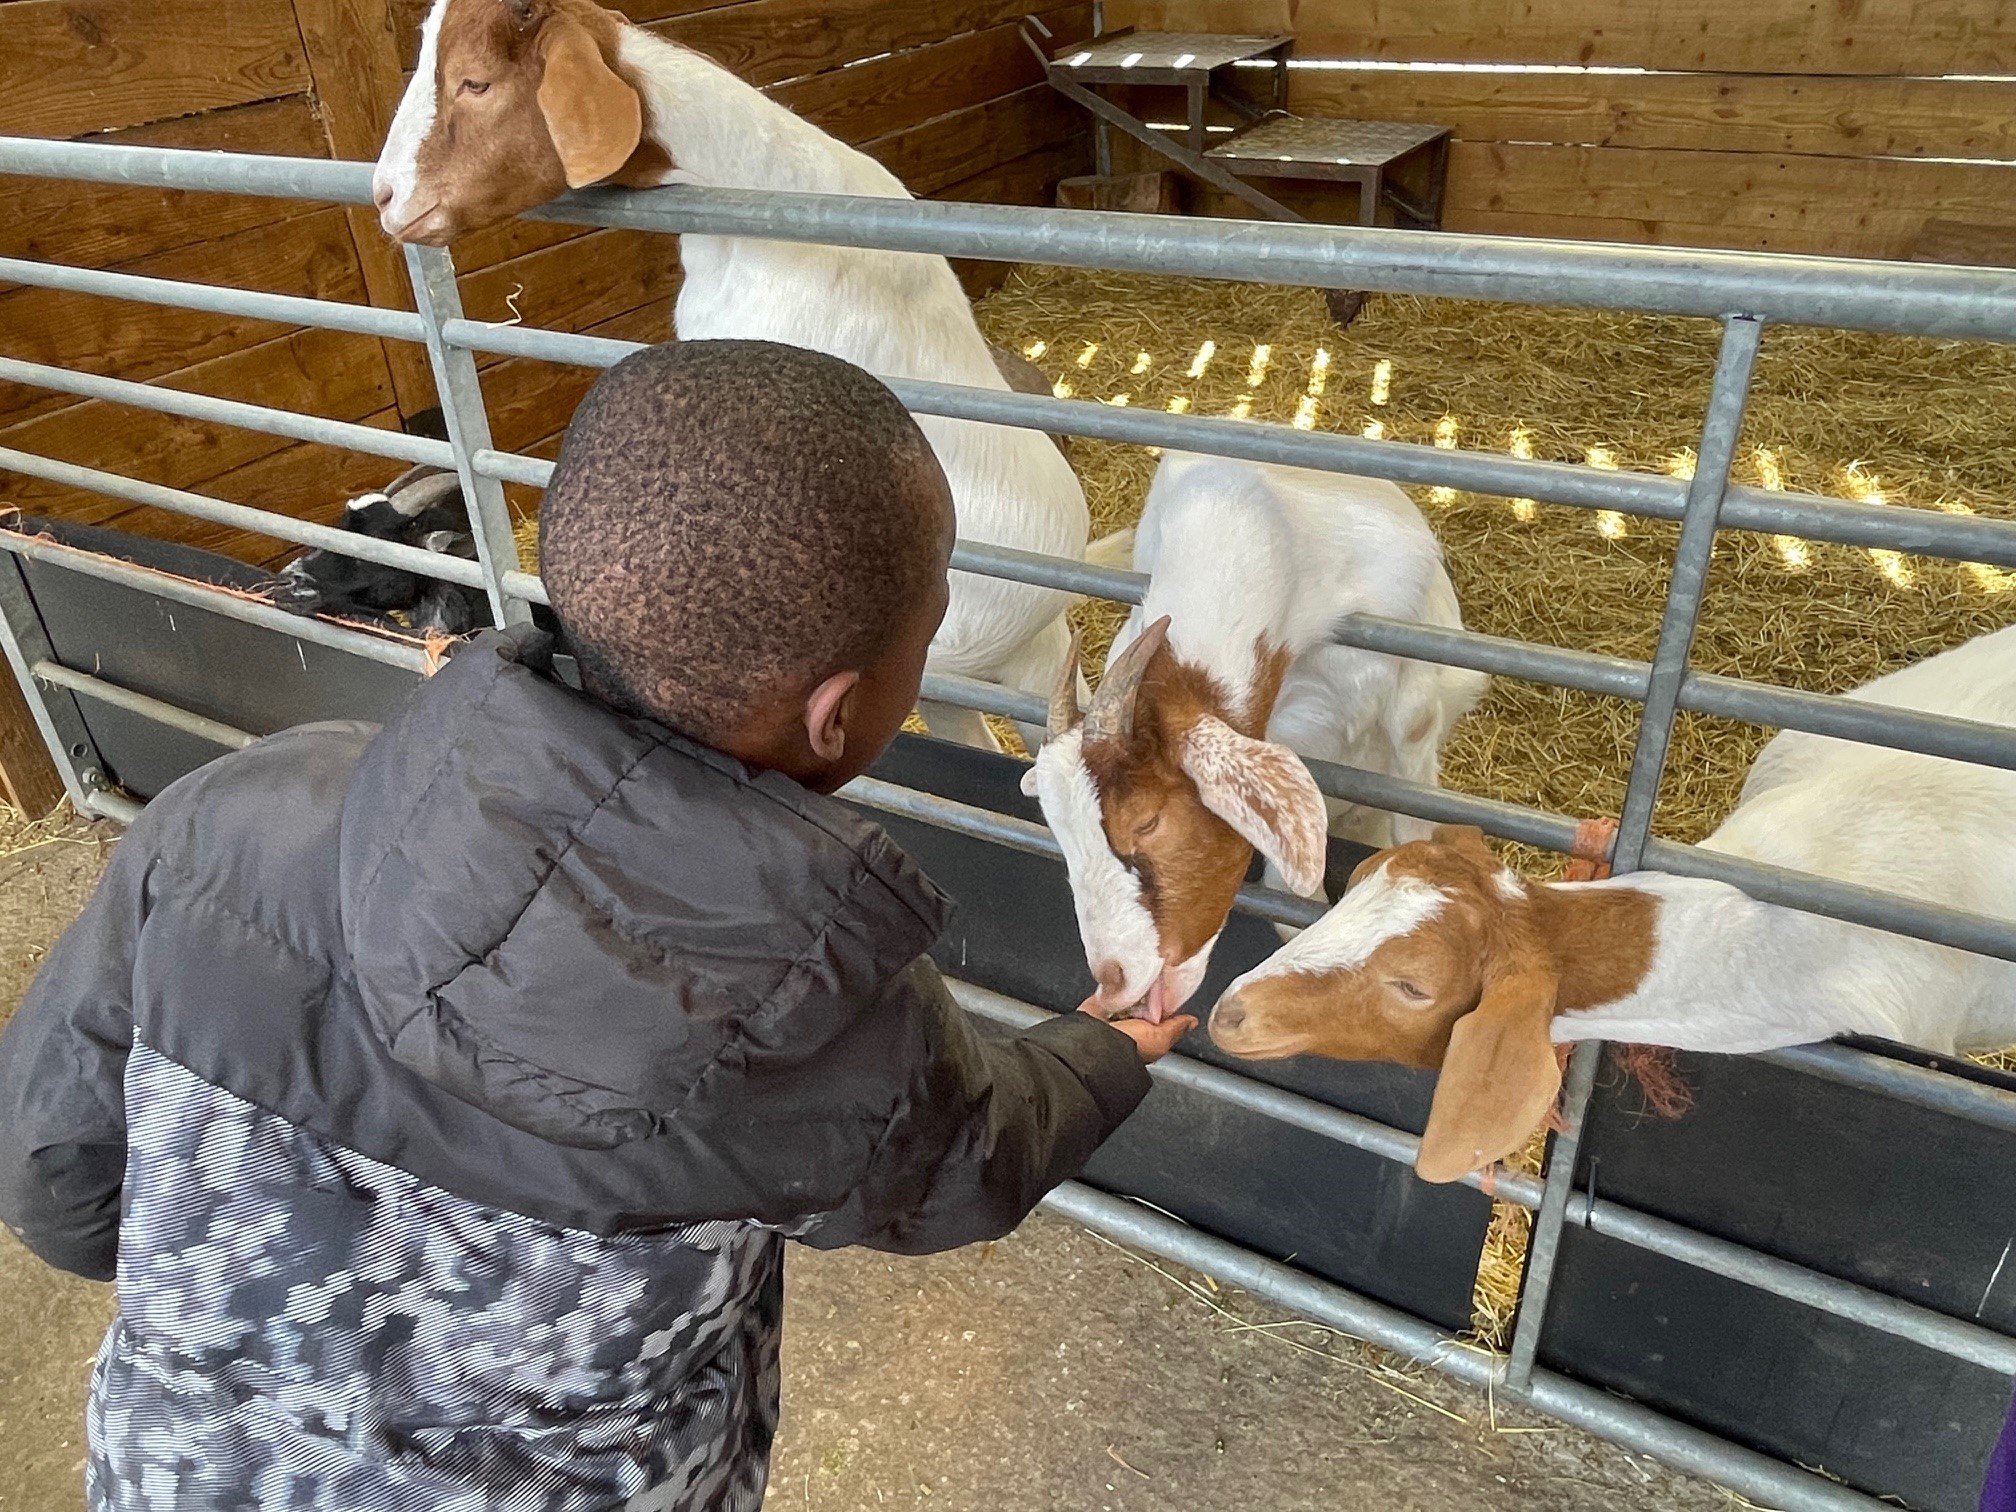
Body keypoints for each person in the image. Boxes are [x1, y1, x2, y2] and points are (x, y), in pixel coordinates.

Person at [0, 340, 1192, 1512]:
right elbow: (966, 1174)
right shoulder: (826, 1012)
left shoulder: (236, 815)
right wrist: (1097, 1057)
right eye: (917, 649)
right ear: (835, 714)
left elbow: (58, 1188)